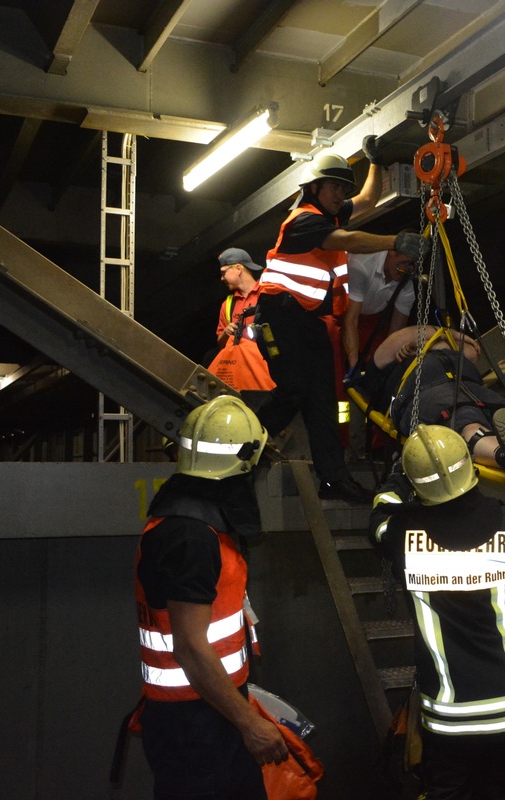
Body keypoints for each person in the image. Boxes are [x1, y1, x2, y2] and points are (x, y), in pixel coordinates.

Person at [369, 424, 505, 800]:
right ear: (470, 469)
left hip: (449, 719)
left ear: (418, 486)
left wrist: (396, 482)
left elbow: (379, 521)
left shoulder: (401, 535)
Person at [133, 395, 288, 799]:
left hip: (209, 712)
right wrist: (250, 724)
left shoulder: (195, 517)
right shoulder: (190, 535)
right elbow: (190, 648)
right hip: (194, 727)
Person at [255, 150, 423, 503]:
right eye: (333, 187)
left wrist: (376, 159)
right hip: (279, 316)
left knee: (324, 401)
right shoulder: (303, 221)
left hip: (310, 322)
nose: (340, 195)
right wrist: (395, 241)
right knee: (294, 387)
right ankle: (245, 447)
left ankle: (334, 480)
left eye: (341, 189)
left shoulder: (331, 215)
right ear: (314, 187)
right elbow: (345, 241)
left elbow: (367, 199)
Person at [357, 324, 505, 480]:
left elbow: (472, 350)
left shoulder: (425, 347)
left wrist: (429, 345)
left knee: (501, 410)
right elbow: (404, 335)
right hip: (426, 390)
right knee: (464, 419)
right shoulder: (382, 362)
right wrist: (440, 340)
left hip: (468, 384)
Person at [207, 247, 277, 396]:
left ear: (238, 268)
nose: (221, 278)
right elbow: (221, 344)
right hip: (239, 381)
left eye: (223, 272)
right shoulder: (228, 304)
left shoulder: (268, 294)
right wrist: (226, 333)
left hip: (268, 377)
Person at [341, 248, 416, 371]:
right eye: (405, 262)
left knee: (376, 362)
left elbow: (396, 335)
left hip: (369, 320)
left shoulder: (407, 288)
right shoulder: (362, 265)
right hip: (343, 314)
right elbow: (350, 320)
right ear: (392, 252)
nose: (406, 269)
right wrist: (353, 367)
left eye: (411, 265)